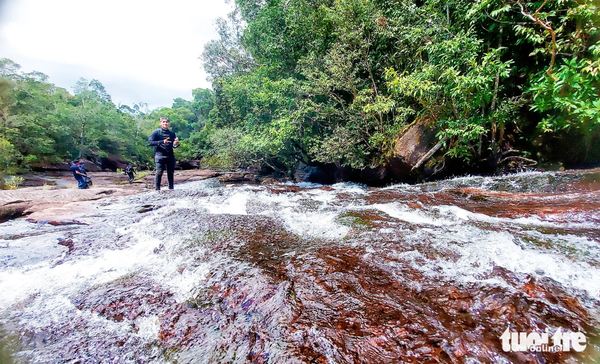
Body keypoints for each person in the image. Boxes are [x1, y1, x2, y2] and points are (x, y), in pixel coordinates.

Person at [148, 117, 179, 190]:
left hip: (170, 156)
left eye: (167, 122)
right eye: (163, 122)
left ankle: (171, 189)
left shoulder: (172, 134)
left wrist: (176, 144)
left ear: (169, 124)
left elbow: (173, 145)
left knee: (170, 173)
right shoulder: (156, 133)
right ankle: (157, 189)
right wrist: (162, 141)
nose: (165, 123)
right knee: (159, 173)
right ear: (160, 123)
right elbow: (150, 142)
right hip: (160, 156)